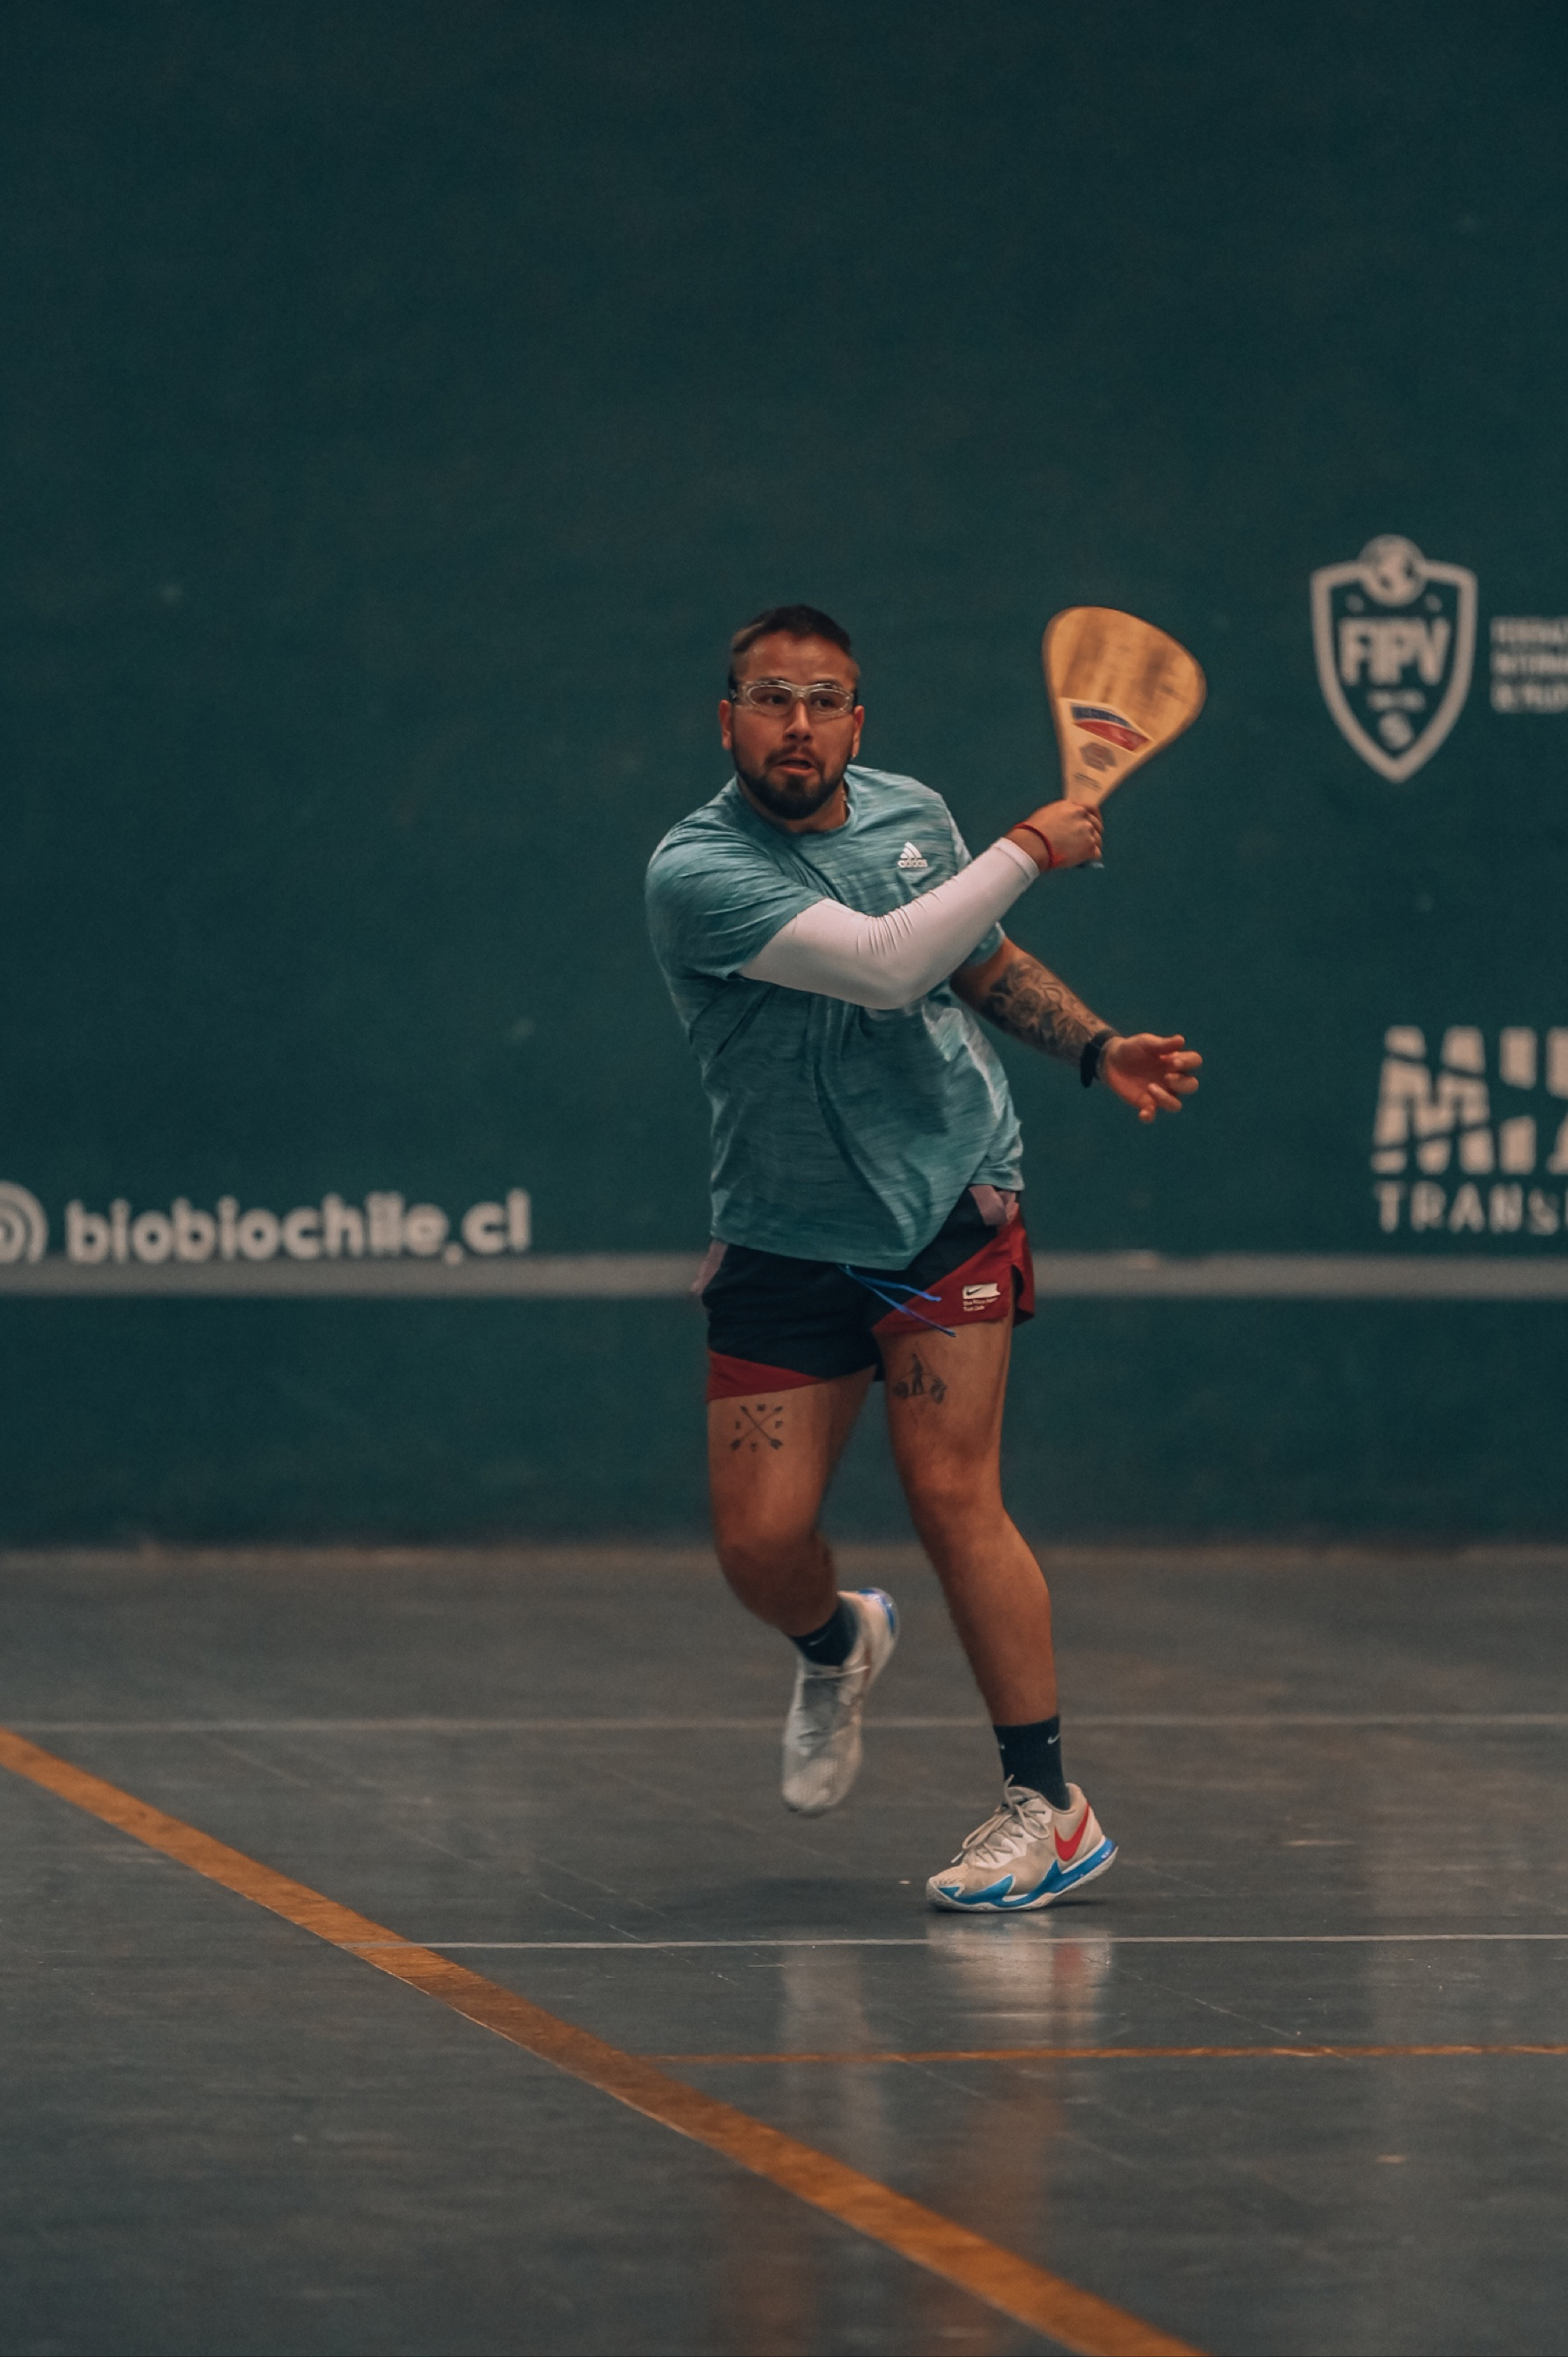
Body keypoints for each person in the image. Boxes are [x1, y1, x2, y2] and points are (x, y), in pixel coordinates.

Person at [645, 605, 1200, 1911]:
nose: (798, 724)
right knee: (759, 1546)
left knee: (953, 1492)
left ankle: (1048, 1807)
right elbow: (889, 966)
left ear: (857, 721)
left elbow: (973, 959)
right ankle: (838, 1640)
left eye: (824, 700)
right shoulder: (695, 871)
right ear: (726, 720)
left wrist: (1092, 1045)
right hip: (785, 1229)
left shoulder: (914, 816)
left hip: (948, 1199)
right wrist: (1031, 844)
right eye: (771, 698)